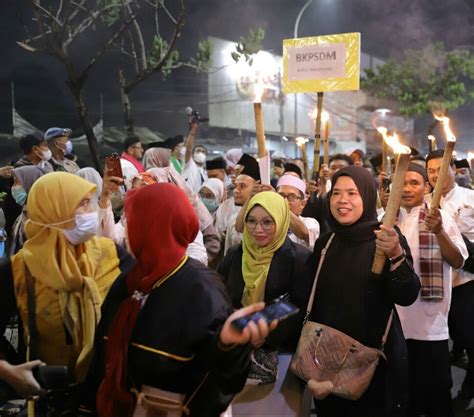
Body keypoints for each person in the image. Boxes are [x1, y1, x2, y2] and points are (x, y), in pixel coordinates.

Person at [92, 183, 276, 417]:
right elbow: (103, 355)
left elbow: (222, 378)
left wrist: (228, 345)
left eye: (131, 221)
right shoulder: (129, 282)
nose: (125, 230)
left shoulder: (202, 289)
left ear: (148, 227)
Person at [0, 172, 134, 409]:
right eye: (82, 204)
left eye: (89, 202)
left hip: (105, 398)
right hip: (49, 399)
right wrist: (8, 371)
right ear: (54, 210)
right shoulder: (18, 269)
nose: (91, 211)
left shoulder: (111, 255)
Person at [305, 166, 420, 417]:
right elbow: (307, 295)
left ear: (367, 197)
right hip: (328, 359)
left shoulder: (385, 238)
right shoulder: (326, 243)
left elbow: (408, 294)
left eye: (352, 193)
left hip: (373, 363)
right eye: (336, 193)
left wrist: (395, 254)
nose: (342, 200)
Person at [218, 191, 312, 416]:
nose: (258, 230)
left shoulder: (299, 258)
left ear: (281, 221)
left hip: (281, 358)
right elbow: (219, 295)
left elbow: (301, 305)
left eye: (267, 222)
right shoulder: (235, 254)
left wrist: (265, 332)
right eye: (251, 221)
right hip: (238, 354)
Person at [396, 162, 467, 417]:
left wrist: (438, 232)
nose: (406, 188)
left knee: (437, 396)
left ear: (426, 187)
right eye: (401, 182)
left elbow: (458, 260)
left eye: (414, 183)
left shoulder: (439, 216)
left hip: (430, 326)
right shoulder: (387, 217)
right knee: (405, 396)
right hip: (395, 325)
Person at [425, 151, 474, 404]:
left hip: (465, 281)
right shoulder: (423, 202)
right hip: (433, 286)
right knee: (444, 338)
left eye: (441, 168)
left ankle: (467, 394)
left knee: (469, 337)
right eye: (431, 171)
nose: (436, 175)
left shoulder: (470, 198)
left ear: (453, 168)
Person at [215, 154, 260, 256]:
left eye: (242, 186)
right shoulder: (228, 210)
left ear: (257, 187)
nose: (236, 191)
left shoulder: (265, 216)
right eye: (236, 186)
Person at [7, 166, 45, 256]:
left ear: (31, 183)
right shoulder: (23, 214)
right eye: (13, 182)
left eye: (17, 182)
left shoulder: (39, 217)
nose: (13, 187)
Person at [277, 174, 320, 250]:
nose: (285, 201)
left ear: (303, 204)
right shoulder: (269, 222)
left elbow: (304, 234)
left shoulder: (310, 223)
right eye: (281, 196)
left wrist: (283, 207)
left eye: (292, 197)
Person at [182, 121, 208, 193]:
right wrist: (193, 131)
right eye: (198, 151)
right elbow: (189, 149)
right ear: (192, 155)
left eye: (203, 152)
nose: (200, 153)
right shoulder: (189, 164)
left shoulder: (205, 173)